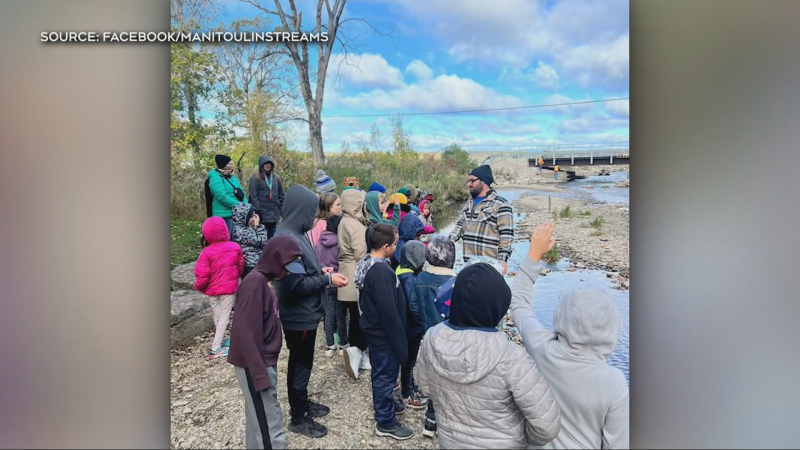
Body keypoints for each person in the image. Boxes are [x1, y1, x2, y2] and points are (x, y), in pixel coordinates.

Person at [416, 262, 562, 449]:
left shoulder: (431, 338)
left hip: (450, 442)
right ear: (498, 307)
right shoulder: (512, 358)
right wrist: (519, 436)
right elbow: (547, 427)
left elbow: (426, 388)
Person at [510, 221, 629, 449]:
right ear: (611, 326)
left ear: (561, 317)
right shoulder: (614, 383)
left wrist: (533, 254)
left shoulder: (541, 346)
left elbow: (519, 305)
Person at [272, 184, 348, 438]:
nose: (314, 217)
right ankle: (298, 417)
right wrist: (327, 281)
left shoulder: (297, 233)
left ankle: (302, 404)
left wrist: (320, 272)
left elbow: (304, 271)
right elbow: (293, 285)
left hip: (307, 313)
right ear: (299, 211)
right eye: (311, 212)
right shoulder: (285, 240)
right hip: (298, 317)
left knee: (304, 361)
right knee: (300, 364)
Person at [227, 235, 306, 449]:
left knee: (257, 419)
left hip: (260, 362)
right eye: (286, 267)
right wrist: (260, 374)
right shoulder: (254, 284)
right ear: (274, 259)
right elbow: (244, 333)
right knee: (270, 423)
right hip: (255, 364)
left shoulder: (263, 282)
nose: (287, 272)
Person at [354, 224, 414, 441]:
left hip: (377, 332)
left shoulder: (371, 263)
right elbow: (388, 311)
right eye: (395, 244)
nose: (396, 248)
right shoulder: (380, 272)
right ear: (387, 246)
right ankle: (385, 422)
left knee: (383, 373)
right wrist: (400, 344)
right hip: (383, 335)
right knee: (384, 375)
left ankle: (387, 405)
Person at [411, 236, 456, 438]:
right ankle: (446, 422)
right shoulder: (454, 283)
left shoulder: (420, 280)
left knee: (434, 379)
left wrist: (424, 323)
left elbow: (413, 306)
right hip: (452, 338)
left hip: (428, 335)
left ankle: (429, 422)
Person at [194, 216, 244, 359]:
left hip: (212, 290)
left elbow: (201, 274)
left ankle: (223, 339)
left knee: (217, 315)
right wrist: (235, 277)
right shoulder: (235, 247)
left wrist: (199, 286)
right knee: (224, 317)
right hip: (228, 290)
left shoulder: (206, 252)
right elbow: (240, 266)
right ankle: (216, 347)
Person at [449, 164, 514, 274]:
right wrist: (449, 241)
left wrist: (503, 260)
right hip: (468, 266)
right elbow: (460, 224)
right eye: (468, 181)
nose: (469, 184)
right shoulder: (469, 203)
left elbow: (506, 235)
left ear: (483, 181)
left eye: (472, 181)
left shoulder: (501, 204)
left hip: (489, 268)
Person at [337, 188, 372, 378]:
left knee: (354, 318)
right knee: (360, 319)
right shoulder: (356, 225)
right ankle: (356, 353)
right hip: (354, 274)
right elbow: (361, 253)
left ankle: (358, 354)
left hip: (345, 272)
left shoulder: (344, 221)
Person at [394, 241, 428, 411]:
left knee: (408, 360)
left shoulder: (400, 271)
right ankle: (407, 393)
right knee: (409, 361)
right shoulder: (409, 280)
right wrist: (423, 322)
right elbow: (413, 306)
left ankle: (410, 385)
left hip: (403, 326)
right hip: (410, 328)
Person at [314, 215, 347, 357]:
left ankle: (329, 344)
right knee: (341, 314)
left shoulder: (319, 242)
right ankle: (343, 343)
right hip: (338, 280)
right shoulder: (340, 242)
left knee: (328, 313)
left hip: (325, 280)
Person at [207, 155, 247, 235]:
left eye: (232, 164)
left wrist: (245, 204)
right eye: (230, 164)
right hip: (225, 215)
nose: (232, 166)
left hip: (237, 213)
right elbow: (221, 196)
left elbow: (242, 192)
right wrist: (239, 205)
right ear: (223, 165)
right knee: (228, 238)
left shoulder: (232, 177)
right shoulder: (215, 177)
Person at [249, 155, 284, 240]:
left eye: (269, 164)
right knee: (262, 239)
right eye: (265, 164)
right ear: (261, 165)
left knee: (273, 240)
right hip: (262, 216)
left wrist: (282, 210)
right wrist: (258, 211)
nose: (268, 165)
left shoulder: (276, 178)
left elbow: (282, 195)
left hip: (274, 214)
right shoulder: (255, 177)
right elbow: (253, 196)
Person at [231, 203, 268, 279]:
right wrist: (258, 226)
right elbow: (263, 241)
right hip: (250, 264)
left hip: (250, 263)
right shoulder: (243, 232)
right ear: (243, 217)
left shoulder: (240, 228)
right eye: (251, 216)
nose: (254, 219)